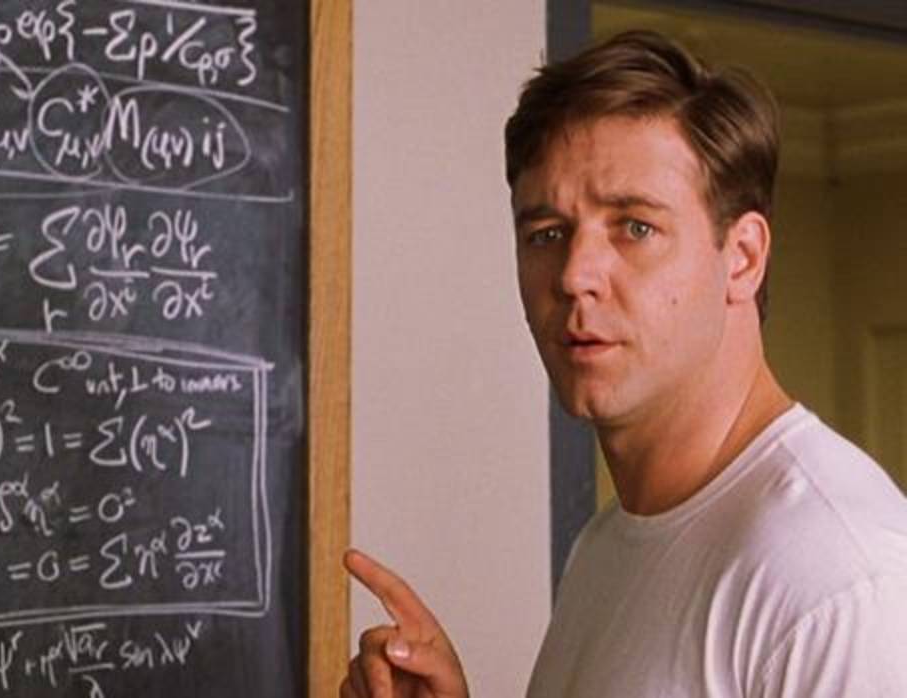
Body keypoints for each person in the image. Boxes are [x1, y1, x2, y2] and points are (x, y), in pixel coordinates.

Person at [341, 30, 907, 698]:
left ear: (743, 258)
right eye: (546, 234)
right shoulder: (607, 547)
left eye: (635, 227)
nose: (575, 275)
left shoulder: (838, 578)